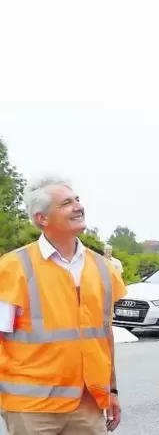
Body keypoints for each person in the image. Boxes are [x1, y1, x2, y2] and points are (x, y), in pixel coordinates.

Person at [0, 176, 127, 435]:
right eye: (66, 203)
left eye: (77, 200)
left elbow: (105, 335)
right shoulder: (13, 268)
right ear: (41, 219)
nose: (78, 207)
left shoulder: (103, 268)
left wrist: (111, 389)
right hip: (31, 408)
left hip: (88, 403)